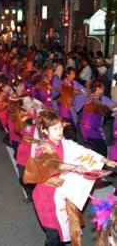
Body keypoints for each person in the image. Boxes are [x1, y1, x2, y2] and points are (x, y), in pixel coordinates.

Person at [23, 110, 117, 246]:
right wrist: (74, 167)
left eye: (61, 127)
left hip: (61, 194)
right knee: (53, 235)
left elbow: (83, 151)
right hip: (46, 196)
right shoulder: (43, 148)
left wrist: (104, 160)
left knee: (62, 231)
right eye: (55, 128)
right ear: (44, 130)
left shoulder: (65, 143)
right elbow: (53, 163)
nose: (60, 131)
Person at [80, 79, 116, 157]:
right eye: (103, 87)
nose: (104, 88)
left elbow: (109, 104)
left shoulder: (100, 98)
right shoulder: (91, 98)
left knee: (101, 151)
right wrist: (112, 110)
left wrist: (113, 107)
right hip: (90, 129)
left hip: (96, 130)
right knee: (100, 152)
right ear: (98, 88)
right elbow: (104, 109)